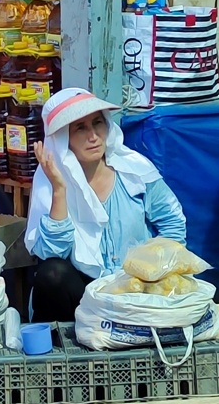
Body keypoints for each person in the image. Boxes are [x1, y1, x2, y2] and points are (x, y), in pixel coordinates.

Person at [24, 88, 187, 322]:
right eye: (80, 128)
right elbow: (51, 254)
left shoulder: (135, 171)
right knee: (52, 274)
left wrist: (155, 270)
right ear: (62, 137)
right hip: (83, 296)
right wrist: (60, 189)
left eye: (98, 123)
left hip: (137, 287)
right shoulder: (49, 182)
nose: (93, 136)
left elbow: (173, 223)